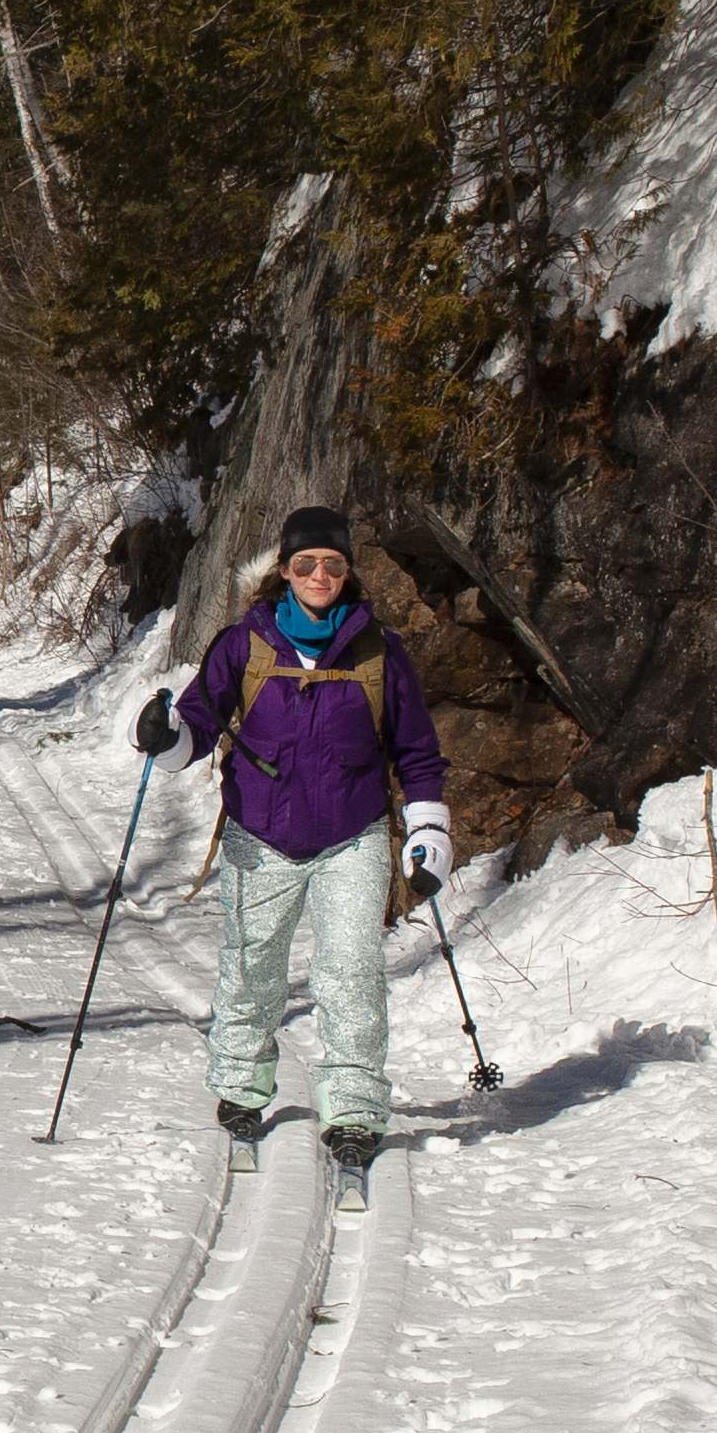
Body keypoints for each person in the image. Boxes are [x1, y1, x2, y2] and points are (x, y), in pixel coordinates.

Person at [133, 504, 452, 1208]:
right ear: (284, 570)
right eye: (305, 563)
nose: (319, 575)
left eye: (332, 564)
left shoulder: (380, 652)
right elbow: (196, 726)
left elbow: (418, 753)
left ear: (347, 572)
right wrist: (162, 736)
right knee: (252, 968)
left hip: (354, 835)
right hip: (260, 834)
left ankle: (356, 1114)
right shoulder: (243, 644)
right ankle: (242, 1089)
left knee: (351, 975)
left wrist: (428, 830)